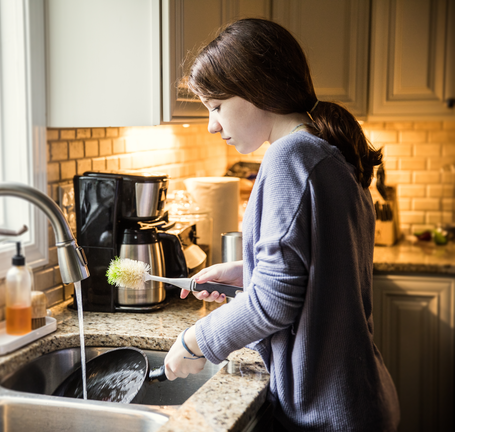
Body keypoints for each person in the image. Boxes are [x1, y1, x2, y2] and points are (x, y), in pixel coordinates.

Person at [162, 18, 400, 431]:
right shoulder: (325, 151)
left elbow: (274, 301)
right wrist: (246, 273)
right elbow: (324, 269)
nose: (212, 125)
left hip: (325, 410)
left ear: (257, 89)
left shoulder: (288, 156)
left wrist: (196, 341)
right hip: (356, 397)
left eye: (216, 106)